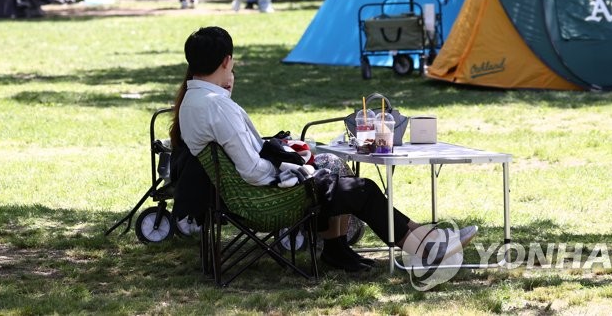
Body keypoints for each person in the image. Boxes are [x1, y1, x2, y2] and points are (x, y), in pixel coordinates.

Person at [172, 26, 478, 272]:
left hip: (241, 195)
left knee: (340, 175)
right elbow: (252, 170)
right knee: (362, 189)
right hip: (262, 200)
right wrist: (296, 170)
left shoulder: (192, 102)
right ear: (227, 60)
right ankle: (425, 248)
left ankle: (424, 240)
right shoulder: (216, 108)